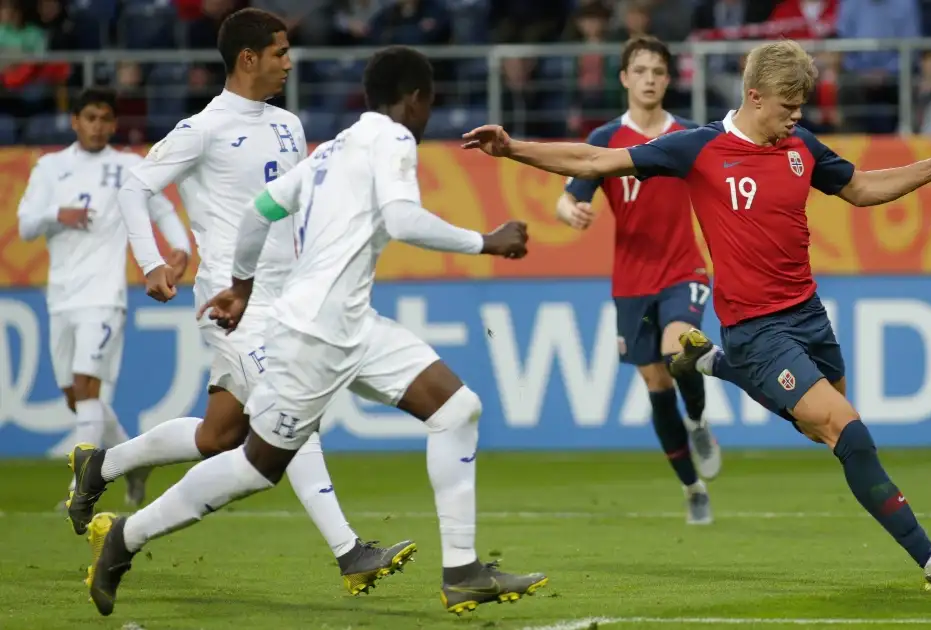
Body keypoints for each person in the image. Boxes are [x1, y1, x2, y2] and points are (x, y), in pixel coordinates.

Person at [463, 39, 931, 591]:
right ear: (755, 97)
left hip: (809, 316)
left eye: (801, 106)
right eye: (788, 106)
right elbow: (595, 160)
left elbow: (859, 188)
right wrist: (512, 148)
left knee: (822, 433)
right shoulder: (697, 148)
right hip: (757, 328)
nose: (797, 115)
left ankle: (714, 364)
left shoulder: (801, 147)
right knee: (848, 433)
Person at [85, 45, 549, 618]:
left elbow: (261, 210)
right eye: (430, 101)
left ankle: (463, 572)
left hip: (352, 325)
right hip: (314, 336)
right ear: (416, 98)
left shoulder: (337, 145)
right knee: (257, 466)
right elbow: (401, 219)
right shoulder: (394, 139)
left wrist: (243, 284)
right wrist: (487, 240)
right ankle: (124, 537)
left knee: (457, 410)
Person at [65, 8, 413, 597]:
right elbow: (135, 187)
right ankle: (350, 552)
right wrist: (150, 261)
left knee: (218, 436)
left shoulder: (289, 124)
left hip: (287, 296)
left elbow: (292, 209)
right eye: (279, 52)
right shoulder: (204, 127)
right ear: (248, 58)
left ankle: (103, 465)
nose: (288, 61)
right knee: (291, 410)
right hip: (233, 302)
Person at [556, 35, 720, 525]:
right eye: (641, 70)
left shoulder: (690, 135)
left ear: (669, 80)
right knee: (656, 383)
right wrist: (571, 212)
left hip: (683, 269)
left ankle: (698, 422)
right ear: (625, 78)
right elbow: (567, 197)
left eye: (658, 71)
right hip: (631, 281)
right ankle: (692, 487)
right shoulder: (605, 140)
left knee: (680, 352)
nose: (650, 79)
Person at [18, 87, 190, 509]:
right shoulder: (50, 167)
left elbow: (162, 208)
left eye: (105, 119)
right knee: (75, 397)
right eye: (89, 117)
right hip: (61, 296)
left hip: (104, 294)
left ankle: (81, 491)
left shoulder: (129, 166)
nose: (98, 126)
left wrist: (180, 246)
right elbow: (24, 226)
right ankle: (134, 460)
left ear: (114, 124)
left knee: (88, 390)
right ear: (74, 121)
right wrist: (59, 214)